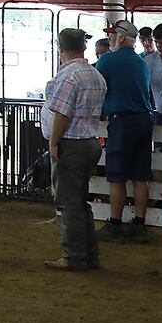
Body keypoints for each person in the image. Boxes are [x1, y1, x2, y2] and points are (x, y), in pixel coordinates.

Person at [43, 28, 107, 272]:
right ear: (84, 47)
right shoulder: (95, 75)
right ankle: (89, 254)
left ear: (61, 48)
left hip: (72, 142)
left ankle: (73, 256)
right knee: (81, 201)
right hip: (90, 140)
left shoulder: (68, 76)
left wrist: (53, 143)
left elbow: (62, 113)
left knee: (69, 203)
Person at [95, 19, 153, 242]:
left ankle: (115, 224)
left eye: (112, 35)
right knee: (140, 176)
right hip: (144, 120)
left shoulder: (108, 61)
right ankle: (139, 226)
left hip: (122, 121)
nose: (110, 39)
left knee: (117, 176)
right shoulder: (141, 62)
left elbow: (98, 88)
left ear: (120, 37)